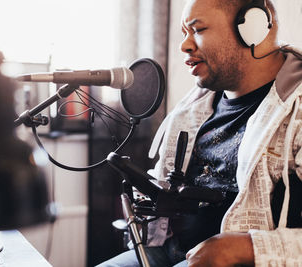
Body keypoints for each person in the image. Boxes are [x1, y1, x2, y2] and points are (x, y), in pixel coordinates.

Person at [97, 0, 302, 266]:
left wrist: (246, 248)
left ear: (253, 27)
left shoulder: (296, 108)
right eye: (184, 32)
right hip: (169, 251)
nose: (185, 45)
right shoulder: (192, 108)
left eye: (198, 29)